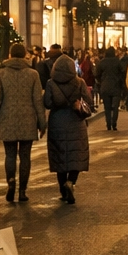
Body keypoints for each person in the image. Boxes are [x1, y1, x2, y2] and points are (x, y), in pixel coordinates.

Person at [0, 43, 45, 203]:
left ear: (10, 55)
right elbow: (38, 100)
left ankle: (11, 181)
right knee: (25, 156)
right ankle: (23, 191)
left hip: (7, 118)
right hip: (28, 120)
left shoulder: (1, 73)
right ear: (25, 55)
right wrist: (42, 122)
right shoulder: (33, 74)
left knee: (9, 154)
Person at [43, 54, 92, 204]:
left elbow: (47, 103)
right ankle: (71, 181)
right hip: (75, 121)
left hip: (57, 121)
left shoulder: (51, 83)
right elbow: (89, 101)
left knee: (59, 156)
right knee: (75, 155)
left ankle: (63, 191)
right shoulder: (80, 82)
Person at [95, 47, 127, 131]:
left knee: (107, 107)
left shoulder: (102, 62)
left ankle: (108, 124)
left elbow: (97, 74)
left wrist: (101, 81)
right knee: (115, 107)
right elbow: (123, 72)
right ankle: (114, 123)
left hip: (105, 87)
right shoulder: (117, 62)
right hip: (116, 87)